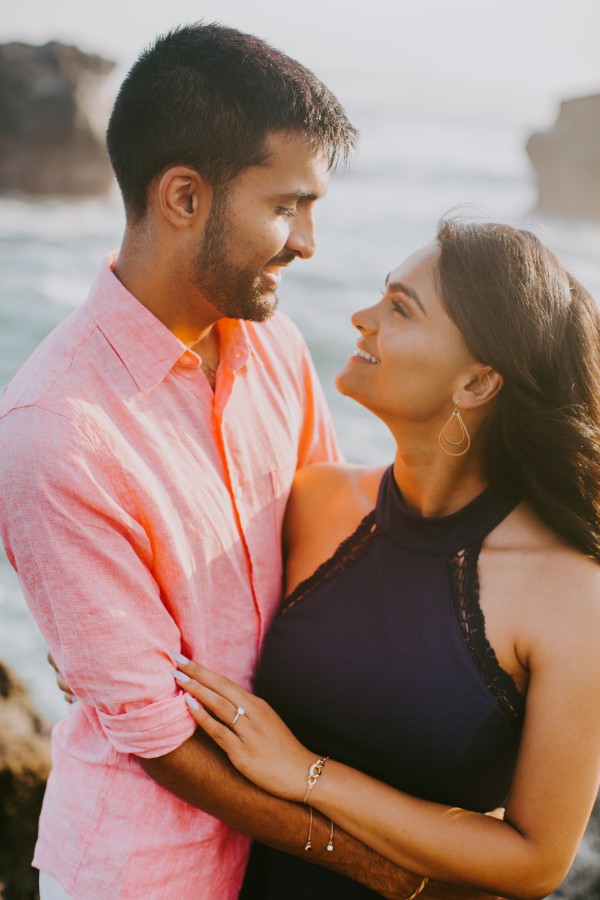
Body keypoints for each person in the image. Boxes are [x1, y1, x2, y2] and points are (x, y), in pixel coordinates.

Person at [0, 22, 494, 900]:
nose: (307, 241)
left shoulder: (278, 351)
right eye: (286, 205)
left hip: (285, 861)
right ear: (184, 196)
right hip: (143, 874)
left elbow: (341, 566)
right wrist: (391, 873)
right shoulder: (53, 430)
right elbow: (158, 741)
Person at [167, 220, 600, 899]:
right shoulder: (313, 502)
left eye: (400, 308)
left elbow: (536, 861)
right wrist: (119, 651)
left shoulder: (573, 594)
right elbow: (199, 631)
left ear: (477, 383)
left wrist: (308, 773)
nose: (362, 318)